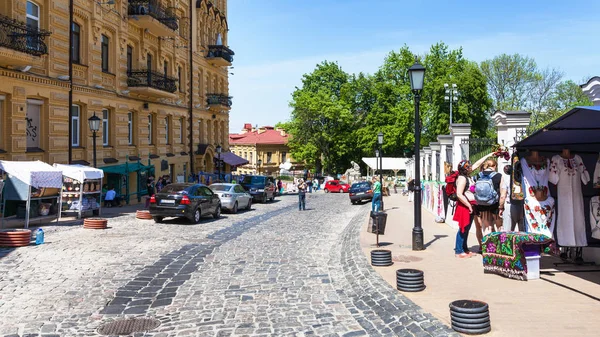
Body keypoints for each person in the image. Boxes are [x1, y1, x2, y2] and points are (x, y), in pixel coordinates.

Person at [453, 160, 476, 258]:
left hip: (469, 205)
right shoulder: (462, 178)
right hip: (464, 206)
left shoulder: (467, 176)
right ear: (465, 168)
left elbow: (477, 164)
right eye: (469, 166)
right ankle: (459, 251)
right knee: (463, 227)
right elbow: (459, 194)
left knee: (467, 228)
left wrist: (489, 155)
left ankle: (465, 248)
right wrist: (468, 205)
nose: (471, 167)